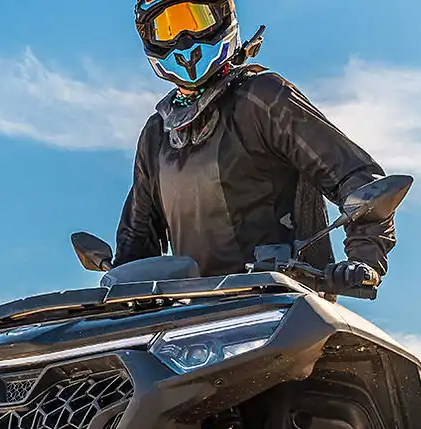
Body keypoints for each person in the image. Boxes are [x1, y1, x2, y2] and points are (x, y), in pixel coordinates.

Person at [115, 0, 392, 293]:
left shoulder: (262, 99)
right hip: (196, 313)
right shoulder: (157, 135)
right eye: (168, 29)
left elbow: (357, 178)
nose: (185, 40)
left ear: (222, 17)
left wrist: (364, 259)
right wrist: (118, 286)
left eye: (196, 20)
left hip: (283, 303)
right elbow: (137, 237)